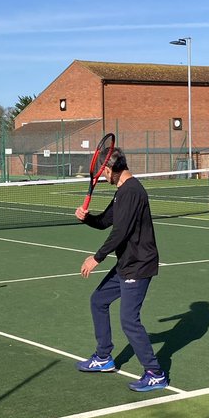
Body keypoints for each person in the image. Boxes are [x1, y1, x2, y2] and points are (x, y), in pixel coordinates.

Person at [73, 148, 169, 392]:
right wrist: (87, 218)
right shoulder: (121, 193)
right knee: (98, 300)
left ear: (111, 169)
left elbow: (121, 231)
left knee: (129, 320)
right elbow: (106, 221)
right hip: (126, 264)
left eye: (103, 170)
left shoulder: (132, 191)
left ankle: (155, 373)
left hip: (139, 264)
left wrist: (97, 258)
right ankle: (104, 358)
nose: (102, 175)